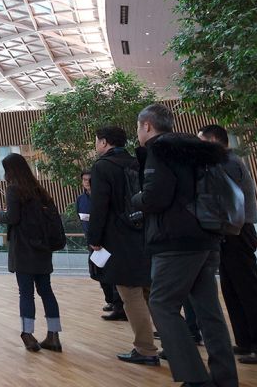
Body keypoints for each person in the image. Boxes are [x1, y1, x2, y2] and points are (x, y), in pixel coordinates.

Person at [132, 104, 238, 387]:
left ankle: (194, 378)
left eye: (138, 127)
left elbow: (156, 197)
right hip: (207, 237)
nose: (138, 134)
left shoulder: (160, 150)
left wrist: (136, 200)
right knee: (208, 310)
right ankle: (225, 377)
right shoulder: (195, 148)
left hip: (175, 240)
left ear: (147, 126)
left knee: (162, 304)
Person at [199, 124, 257, 365]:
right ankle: (246, 341)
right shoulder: (222, 163)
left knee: (249, 289)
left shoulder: (229, 164)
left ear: (214, 140)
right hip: (227, 232)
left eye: (202, 140)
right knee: (232, 288)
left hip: (237, 231)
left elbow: (226, 201)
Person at [86, 126, 158, 366]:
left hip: (119, 237)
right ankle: (173, 343)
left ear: (104, 142)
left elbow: (100, 206)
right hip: (146, 232)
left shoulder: (102, 167)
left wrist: (94, 238)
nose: (96, 146)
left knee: (130, 293)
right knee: (152, 293)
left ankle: (146, 348)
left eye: (97, 141)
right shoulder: (137, 161)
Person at [0, 153, 63, 353]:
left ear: (10, 170)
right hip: (42, 249)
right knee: (46, 291)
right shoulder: (39, 190)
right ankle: (54, 335)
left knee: (26, 293)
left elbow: (12, 218)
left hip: (24, 250)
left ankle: (28, 334)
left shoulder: (14, 189)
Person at [78, 171, 123, 317]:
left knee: (112, 273)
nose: (87, 182)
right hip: (91, 242)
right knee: (98, 273)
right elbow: (82, 220)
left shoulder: (103, 198)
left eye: (89, 180)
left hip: (106, 242)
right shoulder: (80, 200)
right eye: (84, 180)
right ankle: (110, 300)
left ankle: (118, 305)